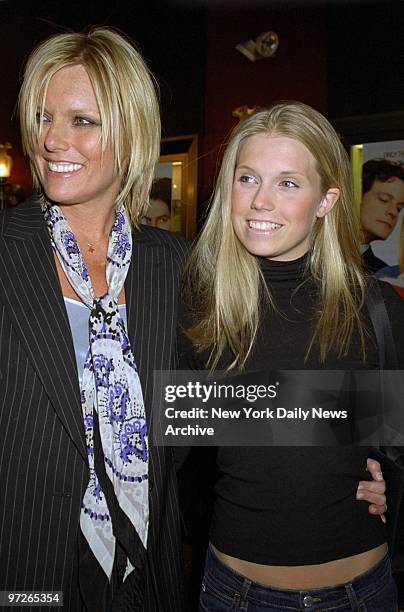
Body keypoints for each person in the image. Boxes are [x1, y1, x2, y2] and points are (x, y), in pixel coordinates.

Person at [179, 102, 403, 610]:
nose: (259, 201)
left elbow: (390, 434)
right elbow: (172, 444)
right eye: (247, 178)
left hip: (359, 594)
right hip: (231, 593)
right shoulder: (198, 307)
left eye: (287, 184)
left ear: (326, 201)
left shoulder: (376, 309)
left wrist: (387, 478)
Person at [0, 28, 188, 611]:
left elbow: (208, 406)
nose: (51, 139)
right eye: (42, 116)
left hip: (147, 573)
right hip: (26, 573)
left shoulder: (176, 265)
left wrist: (340, 456)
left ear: (131, 134)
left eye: (82, 120)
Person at [360, 158, 404, 273]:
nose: (393, 212)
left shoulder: (384, 275)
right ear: (358, 196)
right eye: (384, 200)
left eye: (399, 208)